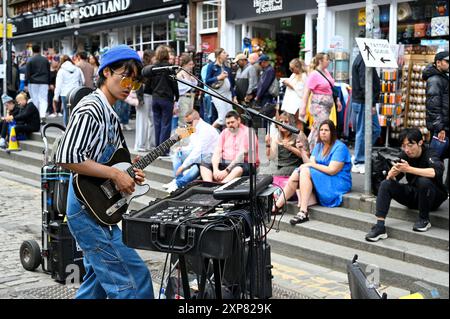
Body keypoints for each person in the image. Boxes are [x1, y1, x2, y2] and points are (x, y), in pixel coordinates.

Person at [55, 44, 154, 299]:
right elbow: (67, 157)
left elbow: (106, 162)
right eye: (124, 77)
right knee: (133, 280)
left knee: (96, 284)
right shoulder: (91, 109)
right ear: (107, 72)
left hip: (97, 206)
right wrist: (114, 175)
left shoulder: (109, 113)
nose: (128, 86)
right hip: (85, 208)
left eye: (133, 82)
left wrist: (127, 173)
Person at [365, 128, 448, 241]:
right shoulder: (404, 155)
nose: (407, 149)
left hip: (433, 198)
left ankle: (424, 219)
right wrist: (391, 174)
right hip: (414, 195)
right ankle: (380, 226)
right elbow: (394, 180)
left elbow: (435, 172)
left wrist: (409, 169)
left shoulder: (430, 153)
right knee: (386, 184)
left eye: (410, 145)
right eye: (404, 146)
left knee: (423, 181)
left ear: (420, 143)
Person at [275, 120, 352, 224]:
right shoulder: (319, 146)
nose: (323, 132)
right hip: (323, 177)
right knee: (299, 171)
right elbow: (309, 163)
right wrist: (302, 150)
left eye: (326, 130)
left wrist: (310, 165)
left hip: (337, 182)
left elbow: (332, 170)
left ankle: (303, 211)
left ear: (332, 132)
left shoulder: (340, 147)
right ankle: (277, 207)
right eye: (321, 130)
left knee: (305, 170)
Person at [163, 110, 219, 193]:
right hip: (200, 155)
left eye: (189, 123)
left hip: (210, 157)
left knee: (197, 164)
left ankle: (178, 184)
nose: (188, 125)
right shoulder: (194, 128)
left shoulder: (206, 130)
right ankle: (178, 180)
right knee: (178, 153)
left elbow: (198, 151)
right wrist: (182, 149)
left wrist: (183, 166)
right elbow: (192, 146)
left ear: (197, 119)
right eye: (187, 123)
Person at [200, 110, 259, 183]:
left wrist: (226, 171)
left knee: (238, 169)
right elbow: (217, 151)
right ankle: (208, 184)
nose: (230, 125)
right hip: (227, 161)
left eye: (232, 122)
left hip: (244, 163)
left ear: (239, 120)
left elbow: (241, 156)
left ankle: (221, 187)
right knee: (205, 161)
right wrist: (215, 170)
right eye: (228, 123)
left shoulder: (248, 132)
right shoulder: (225, 132)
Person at [300, 52, 342, 151]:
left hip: (327, 106)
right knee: (322, 128)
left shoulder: (326, 72)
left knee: (316, 129)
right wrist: (303, 108)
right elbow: (306, 92)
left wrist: (337, 100)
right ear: (320, 61)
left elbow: (332, 88)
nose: (328, 61)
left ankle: (307, 149)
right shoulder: (314, 74)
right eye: (327, 59)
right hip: (319, 106)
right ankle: (317, 150)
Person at [143, 45, 179, 150]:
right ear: (167, 55)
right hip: (167, 99)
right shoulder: (170, 68)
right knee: (166, 124)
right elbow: (174, 84)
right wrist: (176, 97)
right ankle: (163, 150)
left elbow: (148, 84)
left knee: (157, 123)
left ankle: (157, 147)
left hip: (155, 98)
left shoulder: (153, 68)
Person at [350, 52, 382, 174]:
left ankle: (361, 154)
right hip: (364, 102)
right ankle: (359, 160)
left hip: (364, 101)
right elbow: (365, 84)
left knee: (375, 129)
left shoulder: (364, 58)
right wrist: (372, 103)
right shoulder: (363, 60)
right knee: (362, 131)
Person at [422, 51, 449, 191]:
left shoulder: (442, 77)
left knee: (438, 158)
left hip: (445, 125)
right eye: (447, 61)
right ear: (438, 63)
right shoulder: (435, 80)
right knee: (436, 159)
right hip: (441, 127)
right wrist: (440, 128)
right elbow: (433, 106)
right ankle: (435, 188)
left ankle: (442, 188)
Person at [205, 48, 235, 129]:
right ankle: (210, 133)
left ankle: (228, 137)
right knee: (222, 118)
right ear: (218, 55)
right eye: (224, 53)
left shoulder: (226, 66)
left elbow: (231, 83)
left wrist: (234, 96)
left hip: (227, 94)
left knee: (230, 116)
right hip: (218, 94)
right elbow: (207, 81)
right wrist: (218, 77)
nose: (227, 54)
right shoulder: (211, 66)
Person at [53, 55, 85, 126]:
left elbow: (58, 85)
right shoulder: (77, 69)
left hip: (65, 94)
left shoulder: (61, 71)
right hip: (75, 93)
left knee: (66, 111)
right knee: (76, 111)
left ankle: (66, 129)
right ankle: (76, 127)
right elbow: (83, 81)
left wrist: (56, 97)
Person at [135, 49, 156, 152]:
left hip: (149, 95)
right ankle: (141, 145)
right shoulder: (143, 68)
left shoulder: (149, 67)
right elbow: (138, 83)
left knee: (149, 121)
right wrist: (139, 98)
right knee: (143, 121)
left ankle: (148, 144)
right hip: (144, 95)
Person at [25, 44, 50, 119]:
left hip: (33, 82)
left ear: (32, 50)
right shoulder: (45, 60)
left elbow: (27, 73)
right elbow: (48, 72)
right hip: (44, 82)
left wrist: (26, 83)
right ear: (40, 50)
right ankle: (42, 115)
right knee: (43, 99)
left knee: (34, 99)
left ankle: (36, 115)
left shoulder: (30, 60)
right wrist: (49, 83)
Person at [281, 58, 308, 127]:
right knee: (291, 122)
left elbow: (303, 90)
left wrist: (289, 84)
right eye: (290, 68)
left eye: (292, 68)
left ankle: (300, 137)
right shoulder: (293, 75)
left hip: (297, 103)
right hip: (291, 103)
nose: (291, 70)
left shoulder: (304, 76)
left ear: (298, 67)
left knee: (298, 121)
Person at [176, 54, 198, 127]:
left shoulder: (190, 74)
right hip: (183, 97)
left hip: (191, 97)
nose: (191, 66)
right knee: (184, 120)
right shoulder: (180, 74)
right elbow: (179, 89)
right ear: (184, 64)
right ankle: (182, 137)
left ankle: (188, 137)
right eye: (190, 64)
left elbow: (195, 83)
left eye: (192, 64)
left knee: (190, 119)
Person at [200, 52, 216, 124]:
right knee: (209, 115)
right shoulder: (205, 68)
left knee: (211, 114)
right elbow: (206, 81)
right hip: (208, 94)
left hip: (212, 94)